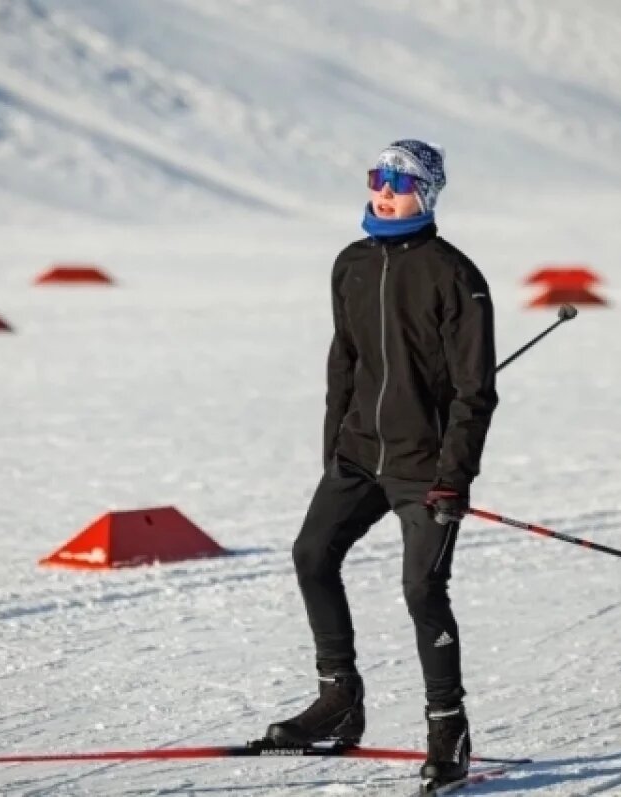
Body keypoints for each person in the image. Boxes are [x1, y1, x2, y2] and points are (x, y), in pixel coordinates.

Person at [263, 140, 499, 788]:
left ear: (424, 193)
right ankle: (339, 700)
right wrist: (333, 450)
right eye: (376, 178)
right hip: (361, 453)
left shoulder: (457, 277)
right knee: (312, 553)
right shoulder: (351, 265)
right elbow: (344, 361)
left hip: (426, 466)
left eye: (397, 181)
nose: (382, 190)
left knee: (423, 589)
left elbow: (476, 392)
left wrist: (454, 476)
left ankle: (447, 728)